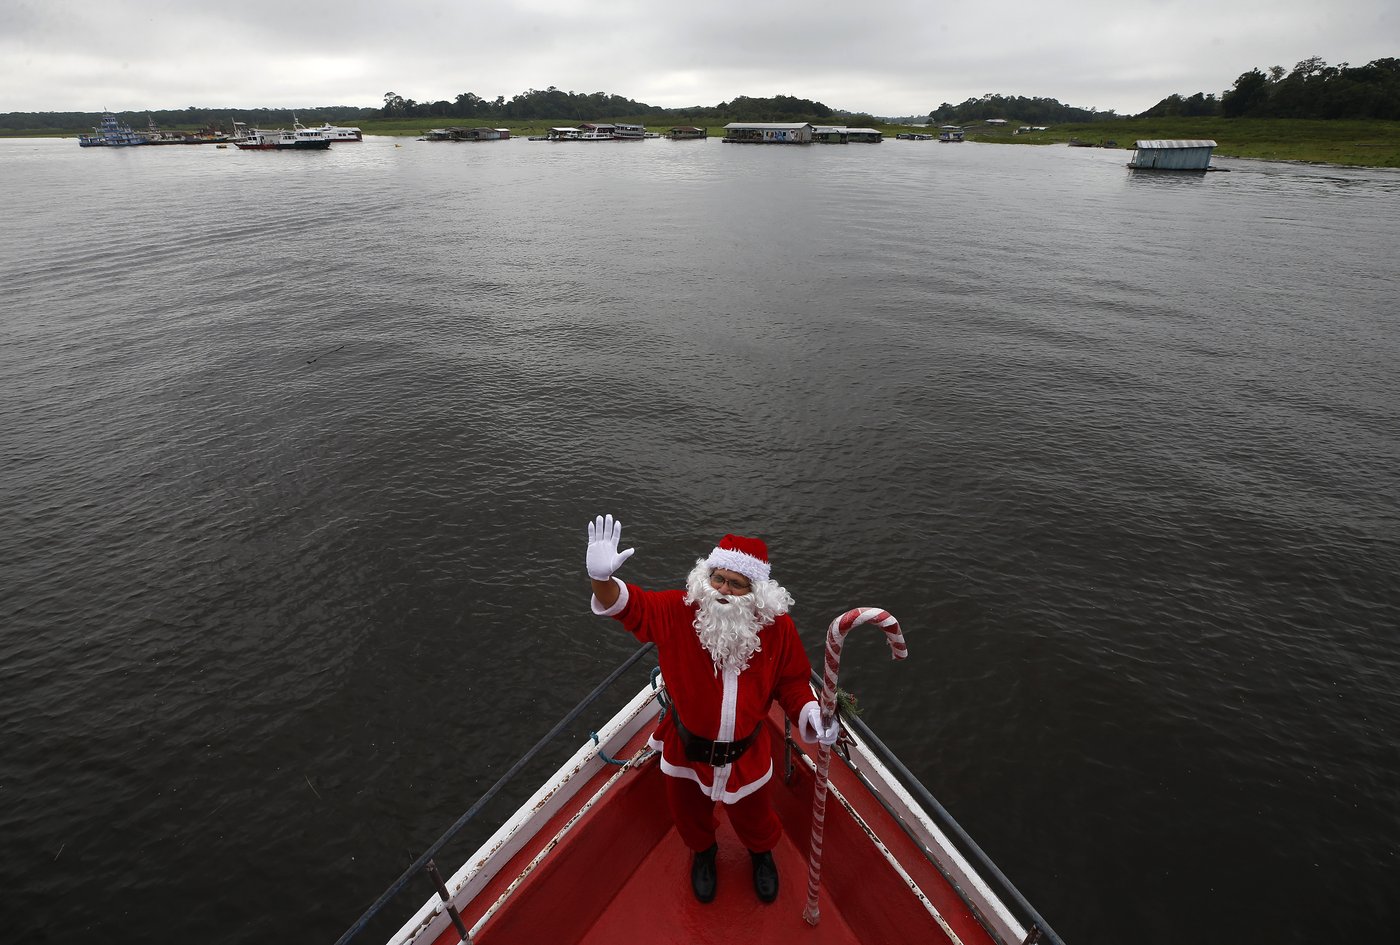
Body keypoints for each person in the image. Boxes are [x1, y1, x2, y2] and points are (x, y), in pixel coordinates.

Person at [585, 514, 839, 904]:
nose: (722, 590)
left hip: (747, 755)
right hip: (686, 749)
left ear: (755, 592)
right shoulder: (677, 612)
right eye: (717, 578)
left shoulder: (777, 628)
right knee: (689, 815)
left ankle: (760, 854)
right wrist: (601, 580)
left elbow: (791, 681)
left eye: (736, 584)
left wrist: (808, 712)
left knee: (755, 816)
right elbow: (628, 606)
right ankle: (704, 854)